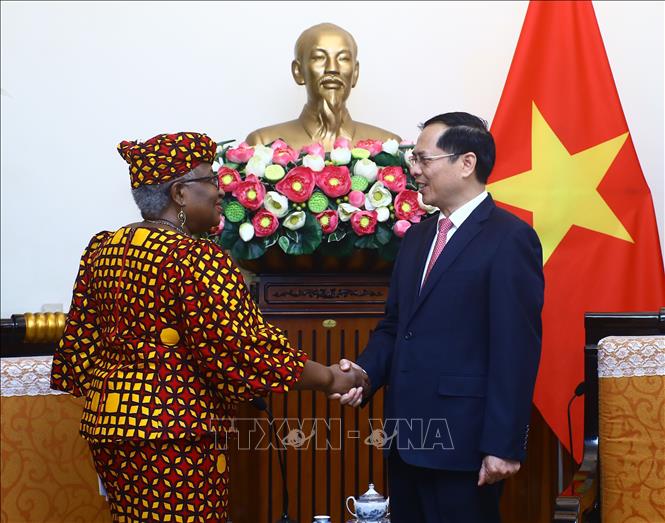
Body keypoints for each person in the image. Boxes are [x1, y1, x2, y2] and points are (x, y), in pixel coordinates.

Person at [50, 131, 367, 523]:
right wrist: (330, 378)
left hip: (109, 428)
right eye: (211, 180)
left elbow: (80, 346)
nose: (221, 191)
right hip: (174, 433)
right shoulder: (194, 258)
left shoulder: (104, 249)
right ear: (180, 193)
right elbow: (247, 350)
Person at [332, 113, 544, 522]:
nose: (414, 170)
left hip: (466, 445)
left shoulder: (510, 238)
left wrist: (503, 445)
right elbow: (396, 326)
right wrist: (363, 373)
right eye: (414, 159)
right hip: (407, 440)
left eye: (423, 159)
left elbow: (515, 349)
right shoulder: (417, 237)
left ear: (466, 163)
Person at [245, 22, 401, 151]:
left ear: (355, 73)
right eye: (319, 57)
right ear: (298, 71)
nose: (332, 68)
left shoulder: (388, 146)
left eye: (343, 58)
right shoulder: (263, 144)